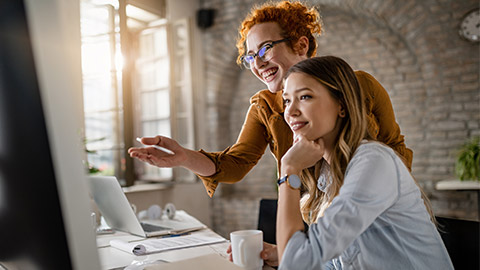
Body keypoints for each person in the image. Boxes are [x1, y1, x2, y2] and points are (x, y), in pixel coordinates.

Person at [128, 0, 412, 198]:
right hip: (309, 218)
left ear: (301, 45)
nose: (257, 63)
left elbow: (395, 148)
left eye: (265, 49)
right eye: (250, 56)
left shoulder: (360, 85)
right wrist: (183, 158)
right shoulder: (264, 106)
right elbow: (234, 164)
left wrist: (388, 199)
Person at [273, 55, 453, 270]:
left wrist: (289, 170)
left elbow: (295, 264)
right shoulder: (329, 175)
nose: (290, 112)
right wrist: (283, 254)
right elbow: (339, 263)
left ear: (342, 106)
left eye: (304, 97)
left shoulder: (374, 162)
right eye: (287, 100)